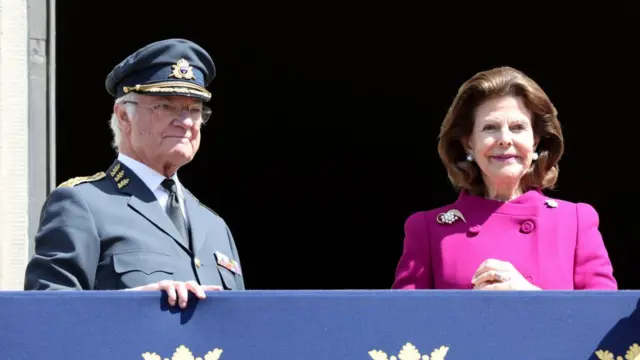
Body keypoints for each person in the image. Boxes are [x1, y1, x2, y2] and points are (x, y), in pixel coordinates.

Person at [24, 38, 245, 307]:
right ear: (124, 116)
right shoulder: (83, 204)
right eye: (166, 106)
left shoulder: (214, 226)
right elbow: (45, 311)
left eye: (195, 110)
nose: (186, 121)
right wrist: (132, 307)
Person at [391, 66, 617, 290]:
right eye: (490, 128)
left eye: (518, 127)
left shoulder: (575, 222)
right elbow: (406, 321)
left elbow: (601, 320)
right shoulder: (427, 230)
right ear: (468, 142)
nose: (505, 139)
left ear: (535, 141)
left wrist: (530, 299)